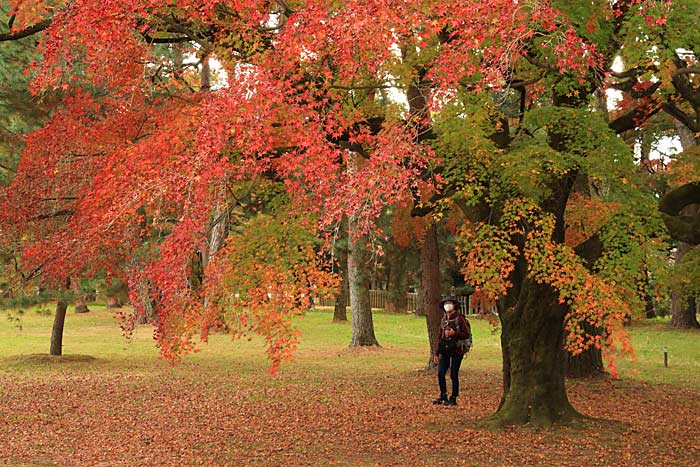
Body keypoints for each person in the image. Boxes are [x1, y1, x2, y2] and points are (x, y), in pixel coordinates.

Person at [432, 296, 471, 406]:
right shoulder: (444, 320)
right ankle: (443, 395)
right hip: (445, 349)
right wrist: (436, 353)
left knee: (454, 374)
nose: (447, 305)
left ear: (454, 305)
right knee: (440, 373)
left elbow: (466, 334)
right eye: (445, 303)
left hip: (457, 350)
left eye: (449, 303)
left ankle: (453, 397)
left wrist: (455, 334)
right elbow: (440, 337)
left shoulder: (460, 319)